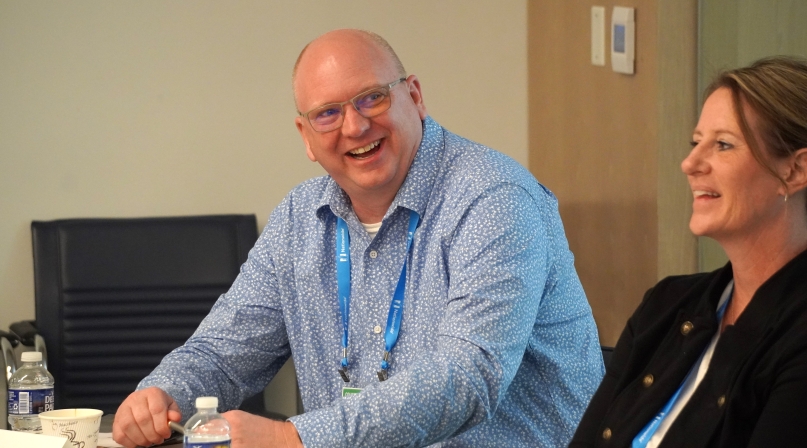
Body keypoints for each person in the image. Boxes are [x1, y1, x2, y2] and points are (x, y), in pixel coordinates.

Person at [113, 29, 603, 448]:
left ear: (414, 95)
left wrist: (294, 438)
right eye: (327, 113)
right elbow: (224, 352)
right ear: (305, 137)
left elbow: (468, 378)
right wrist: (161, 396)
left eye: (373, 97)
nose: (355, 125)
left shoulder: (493, 198)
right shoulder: (299, 219)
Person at [570, 55, 807, 447]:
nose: (690, 163)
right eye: (696, 142)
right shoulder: (666, 305)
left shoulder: (796, 334)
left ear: (794, 172)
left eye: (723, 145)